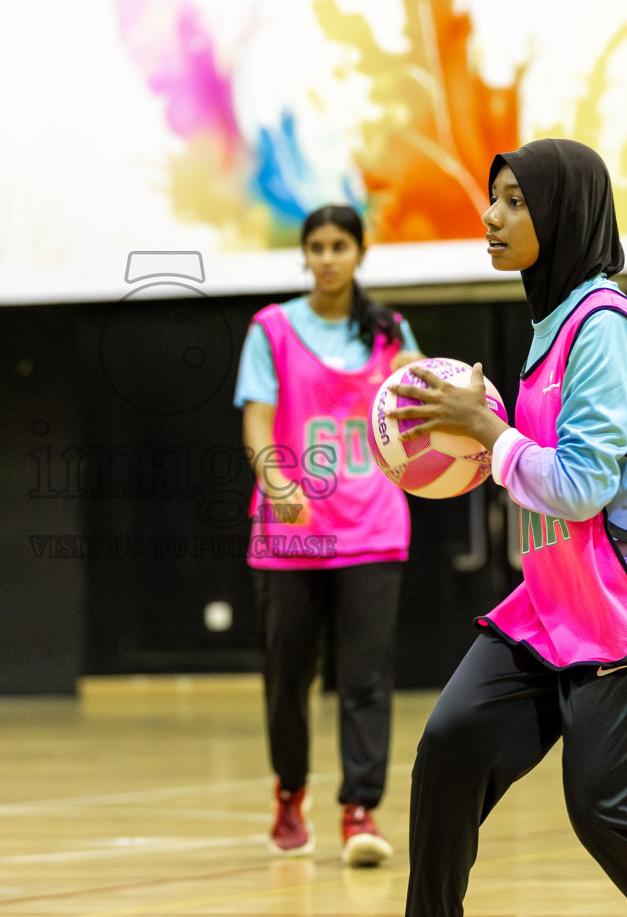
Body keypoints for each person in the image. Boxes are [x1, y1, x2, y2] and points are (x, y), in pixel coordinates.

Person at [392, 139, 627, 916]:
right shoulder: (551, 326)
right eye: (493, 197)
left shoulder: (603, 328)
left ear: (566, 214)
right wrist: (473, 432)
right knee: (451, 747)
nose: (491, 215)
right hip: (554, 605)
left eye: (516, 201)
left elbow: (583, 486)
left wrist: (488, 437)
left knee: (609, 810)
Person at [234, 205, 424, 867]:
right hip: (293, 533)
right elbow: (257, 423)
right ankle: (290, 792)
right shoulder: (273, 328)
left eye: (339, 245)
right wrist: (275, 479)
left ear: (360, 252)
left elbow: (422, 408)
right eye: (315, 246)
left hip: (372, 527)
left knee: (366, 679)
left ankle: (360, 809)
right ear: (305, 255)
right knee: (288, 679)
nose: (326, 257)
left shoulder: (391, 331)